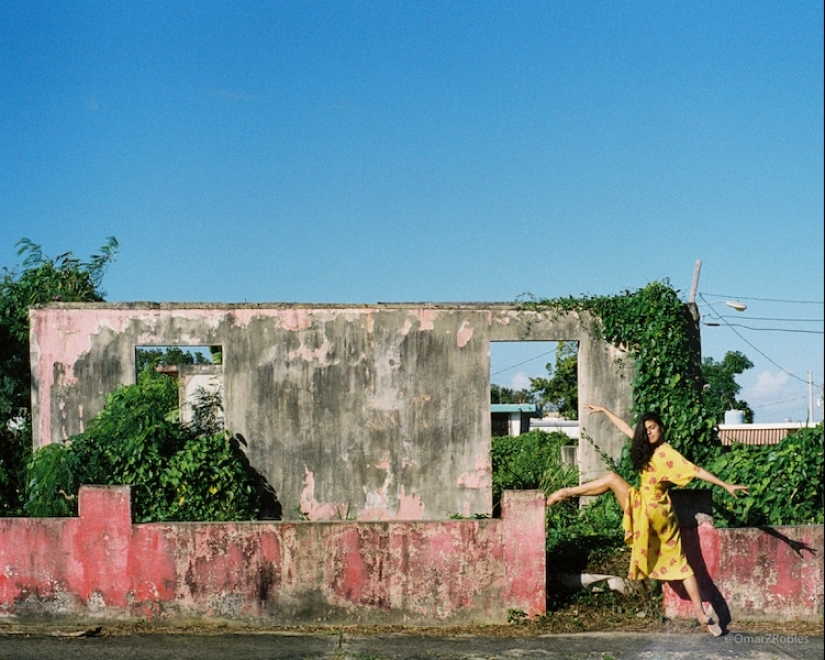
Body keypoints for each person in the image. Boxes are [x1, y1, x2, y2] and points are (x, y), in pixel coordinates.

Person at [545, 403, 748, 637]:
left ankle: (565, 493)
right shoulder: (648, 447)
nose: (649, 432)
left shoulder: (668, 453)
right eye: (646, 429)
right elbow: (626, 429)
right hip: (661, 514)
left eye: (653, 428)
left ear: (662, 428)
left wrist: (725, 485)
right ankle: (701, 614)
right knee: (683, 566)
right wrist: (605, 410)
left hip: (647, 509)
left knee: (612, 479)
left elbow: (697, 470)